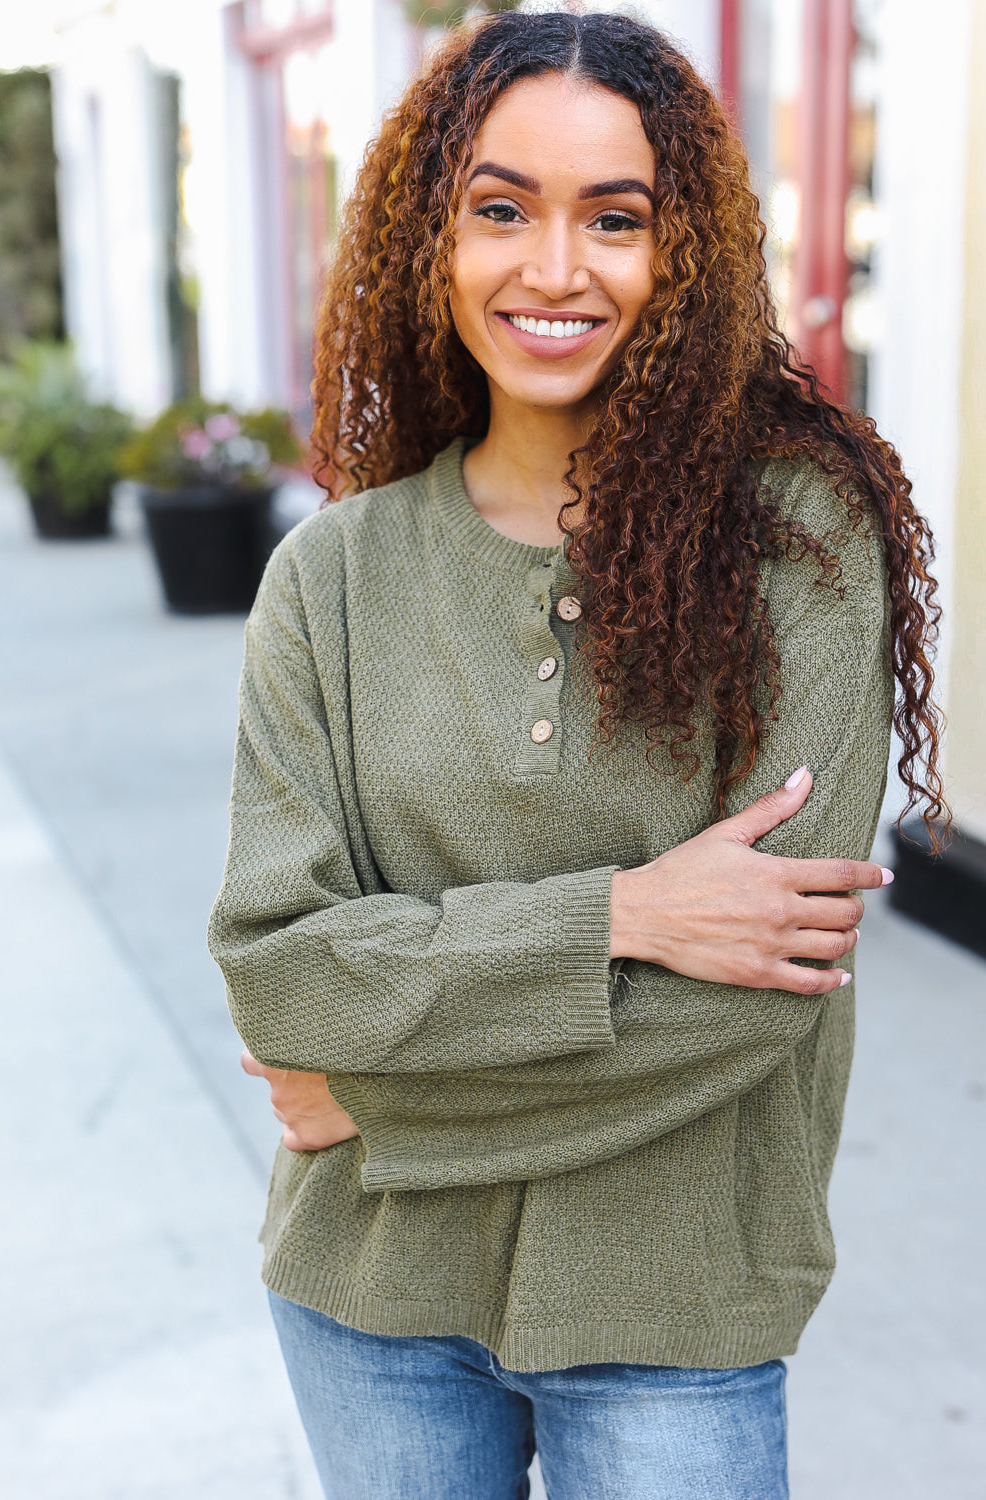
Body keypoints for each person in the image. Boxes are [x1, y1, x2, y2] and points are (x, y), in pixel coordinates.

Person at [208, 11, 945, 1499]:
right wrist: (625, 917)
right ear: (434, 240)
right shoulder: (333, 577)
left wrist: (378, 1089)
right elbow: (280, 969)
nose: (555, 269)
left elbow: (753, 1011)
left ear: (689, 257)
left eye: (617, 219)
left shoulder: (799, 546)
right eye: (501, 210)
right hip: (369, 1301)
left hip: (671, 1308)